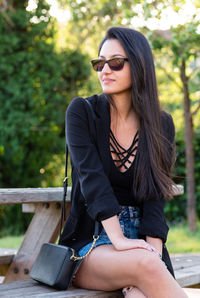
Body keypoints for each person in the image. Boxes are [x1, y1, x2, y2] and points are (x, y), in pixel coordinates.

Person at [59, 27, 187, 297]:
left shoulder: (161, 124)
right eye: (99, 63)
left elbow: (155, 196)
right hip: (92, 241)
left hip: (143, 243)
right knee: (144, 264)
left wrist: (152, 249)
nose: (105, 70)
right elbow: (92, 181)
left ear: (139, 65)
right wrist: (119, 240)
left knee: (141, 291)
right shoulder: (82, 112)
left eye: (115, 63)